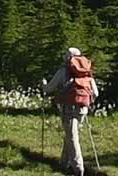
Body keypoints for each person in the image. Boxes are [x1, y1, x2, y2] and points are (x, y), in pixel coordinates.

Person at [42, 47, 98, 176]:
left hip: (68, 109)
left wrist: (43, 85)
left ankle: (78, 169)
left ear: (68, 57)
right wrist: (88, 102)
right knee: (71, 135)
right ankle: (63, 163)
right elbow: (95, 93)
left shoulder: (63, 71)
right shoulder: (86, 72)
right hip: (83, 109)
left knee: (73, 138)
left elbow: (49, 88)